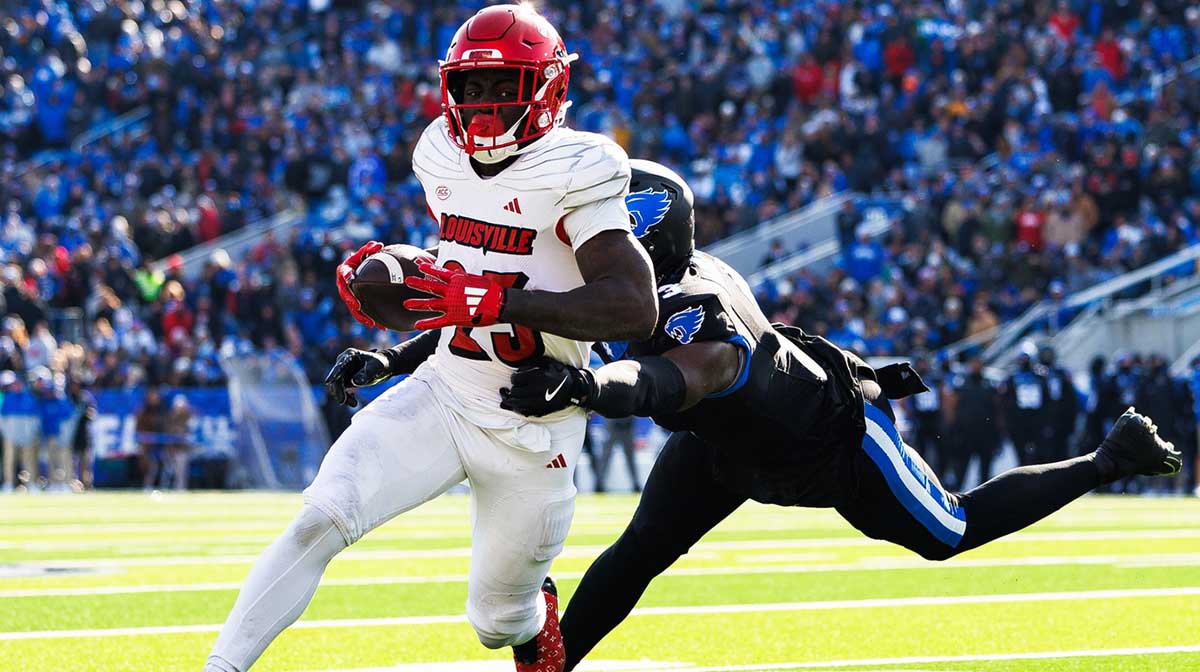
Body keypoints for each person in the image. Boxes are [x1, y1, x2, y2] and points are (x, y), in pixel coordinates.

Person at [496, 160, 1183, 671]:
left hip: (827, 443)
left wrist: (584, 384)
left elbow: (660, 380)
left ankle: (1111, 456)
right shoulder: (653, 283)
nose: (586, 246)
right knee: (640, 550)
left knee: (949, 531)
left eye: (605, 233)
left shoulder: (690, 307)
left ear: (645, 238)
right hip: (728, 443)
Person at [204, 6, 657, 672]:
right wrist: (393, 284)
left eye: (501, 83)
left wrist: (499, 301)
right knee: (320, 517)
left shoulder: (578, 167)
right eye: (468, 88)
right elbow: (462, 272)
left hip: (534, 426)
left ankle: (535, 613)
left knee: (497, 622)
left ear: (547, 86)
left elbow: (633, 307)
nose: (480, 104)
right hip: (446, 389)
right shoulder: (440, 154)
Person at [1038, 343, 1079, 464]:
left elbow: (1071, 397)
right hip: (1044, 420)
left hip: (1062, 418)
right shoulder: (1036, 374)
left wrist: (1071, 419)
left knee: (1063, 453)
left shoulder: (1061, 372)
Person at [136, 387, 165, 490]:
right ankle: (148, 486)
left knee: (164, 466)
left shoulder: (162, 410)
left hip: (162, 443)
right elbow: (140, 428)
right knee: (151, 467)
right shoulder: (144, 412)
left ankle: (164, 487)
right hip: (148, 445)